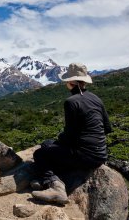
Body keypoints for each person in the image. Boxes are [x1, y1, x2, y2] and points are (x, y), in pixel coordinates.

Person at [31, 63, 112, 205]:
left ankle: (56, 187)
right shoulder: (96, 99)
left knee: (40, 153)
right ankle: (49, 178)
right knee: (48, 145)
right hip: (101, 154)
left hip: (84, 154)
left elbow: (70, 135)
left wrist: (59, 142)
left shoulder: (70, 102)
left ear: (70, 82)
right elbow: (107, 128)